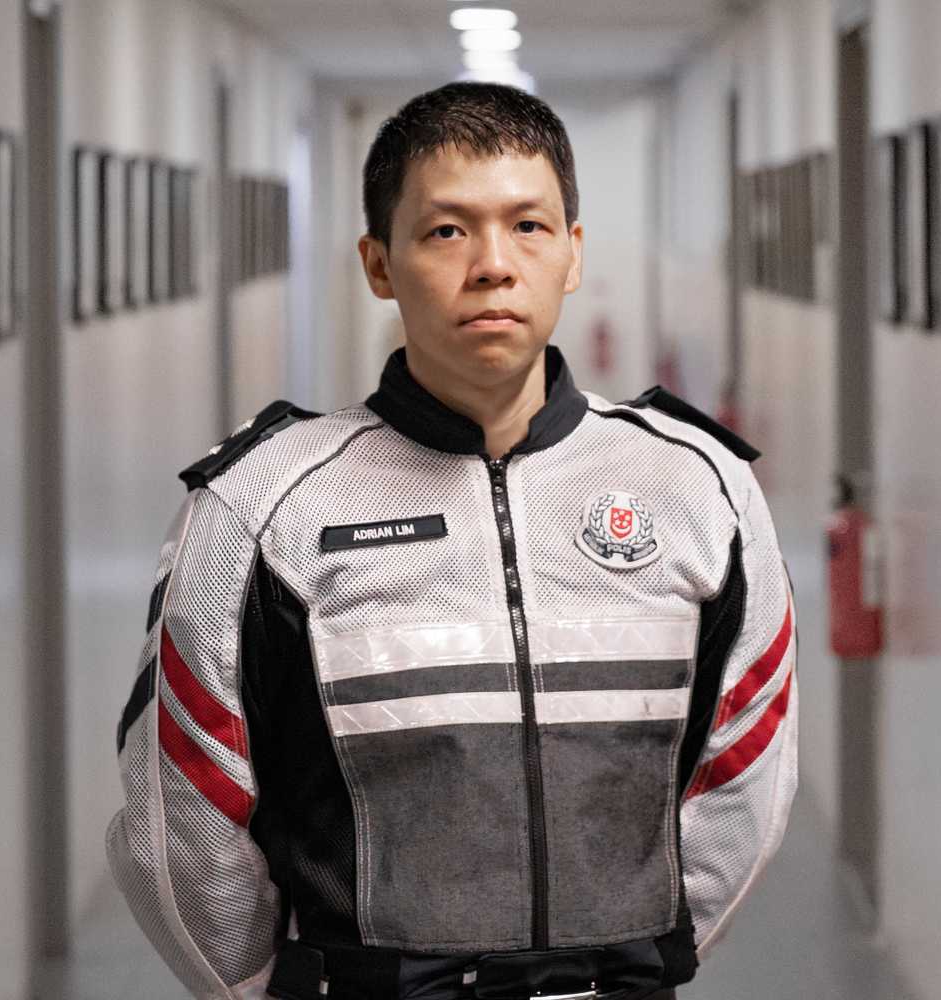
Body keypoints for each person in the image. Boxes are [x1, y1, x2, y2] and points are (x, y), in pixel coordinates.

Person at [107, 81, 798, 1000]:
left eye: (529, 226)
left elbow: (746, 767)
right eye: (446, 231)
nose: (493, 265)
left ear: (574, 253)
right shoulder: (260, 508)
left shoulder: (698, 487)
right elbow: (180, 808)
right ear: (379, 264)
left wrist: (626, 968)